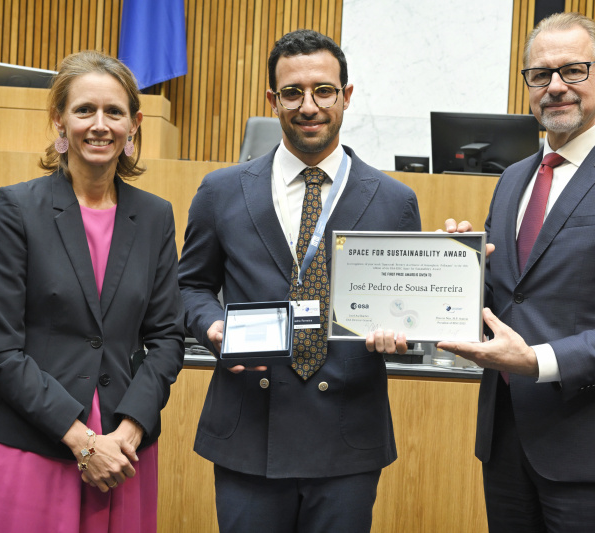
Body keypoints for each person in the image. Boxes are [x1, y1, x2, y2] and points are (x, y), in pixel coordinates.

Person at [438, 12, 595, 532]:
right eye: (540, 75)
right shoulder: (512, 179)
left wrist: (537, 360)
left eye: (573, 70)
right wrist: (457, 270)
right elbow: (511, 297)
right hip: (506, 444)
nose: (556, 87)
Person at [177, 29, 421, 533]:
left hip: (347, 437)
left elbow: (405, 308)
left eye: (323, 90)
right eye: (292, 92)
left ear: (346, 96)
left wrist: (402, 334)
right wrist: (213, 327)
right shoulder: (221, 191)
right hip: (249, 430)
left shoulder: (394, 201)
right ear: (273, 99)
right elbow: (189, 288)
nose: (308, 106)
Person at [0, 50, 185, 533]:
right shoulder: (18, 208)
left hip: (124, 451)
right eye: (84, 110)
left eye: (114, 111)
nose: (99, 124)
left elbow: (168, 338)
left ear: (134, 125)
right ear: (59, 121)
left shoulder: (155, 217)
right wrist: (83, 441)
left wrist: (128, 430)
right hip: (37, 444)